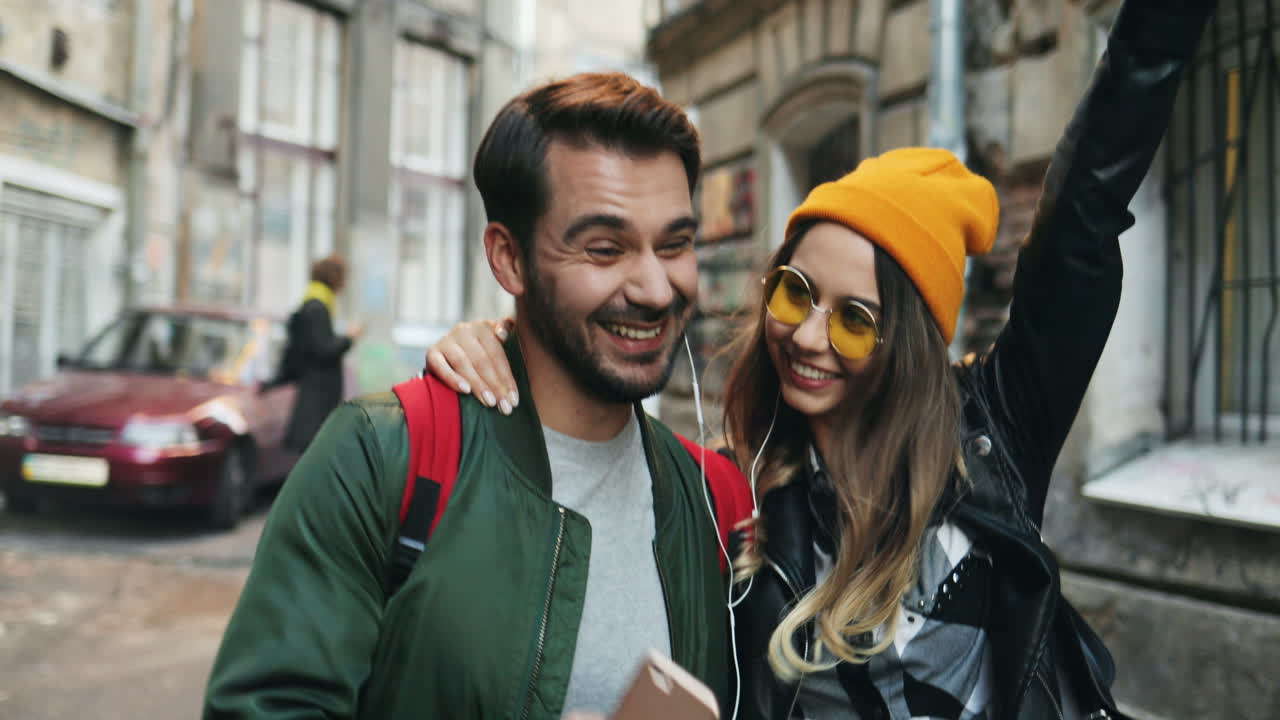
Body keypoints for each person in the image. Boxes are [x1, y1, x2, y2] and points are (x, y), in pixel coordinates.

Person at [425, 1, 1215, 717]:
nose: (807, 338)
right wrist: (504, 345)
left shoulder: (992, 436)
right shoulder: (738, 498)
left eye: (856, 320)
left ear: (906, 343)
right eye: (797, 294)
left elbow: (1085, 210)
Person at [203, 72, 750, 719]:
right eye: (605, 249)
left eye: (676, 244)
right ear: (509, 260)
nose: (657, 289)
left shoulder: (717, 499)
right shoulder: (380, 458)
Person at [272, 254, 363, 451]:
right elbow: (323, 349)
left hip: (315, 389)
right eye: (343, 278)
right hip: (318, 393)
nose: (344, 284)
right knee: (314, 449)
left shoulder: (315, 302)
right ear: (334, 278)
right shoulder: (318, 307)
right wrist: (349, 337)